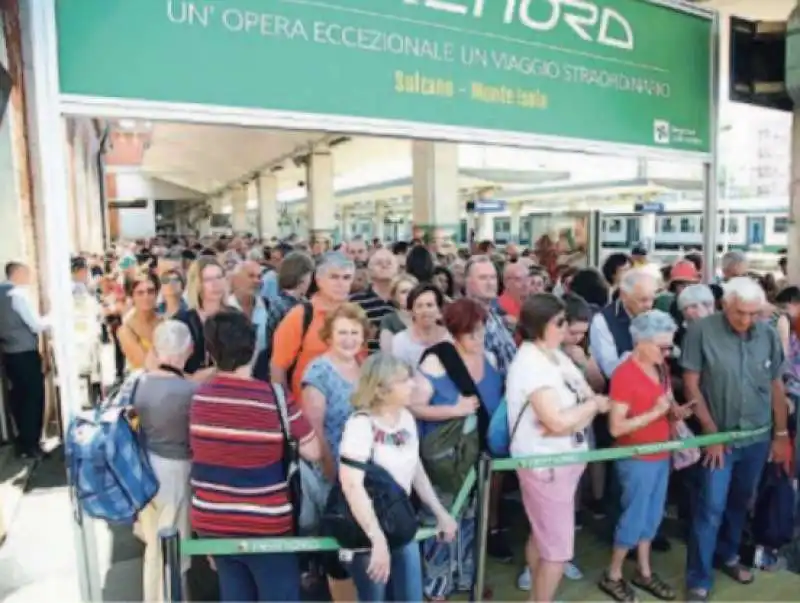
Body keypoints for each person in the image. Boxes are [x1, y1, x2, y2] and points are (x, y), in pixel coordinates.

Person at [189, 311, 321, 601]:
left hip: (212, 519)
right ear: (254, 348)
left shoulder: (199, 397)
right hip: (266, 522)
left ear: (211, 352)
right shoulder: (274, 397)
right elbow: (312, 450)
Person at [681, 277, 791, 602]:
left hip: (756, 438)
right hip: (720, 439)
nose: (747, 320)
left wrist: (781, 434)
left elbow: (775, 386)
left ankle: (727, 556)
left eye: (754, 313)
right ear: (725, 305)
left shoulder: (768, 333)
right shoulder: (701, 331)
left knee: (741, 502)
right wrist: (711, 433)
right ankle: (698, 578)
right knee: (709, 507)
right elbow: (691, 384)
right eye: (740, 312)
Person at [507, 293, 610, 603]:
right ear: (540, 325)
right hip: (546, 463)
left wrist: (587, 402)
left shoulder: (555, 356)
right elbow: (556, 421)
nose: (567, 329)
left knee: (543, 538)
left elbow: (584, 392)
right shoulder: (532, 364)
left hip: (561, 461)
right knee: (557, 550)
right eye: (560, 322)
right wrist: (592, 406)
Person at [338, 353, 457, 602]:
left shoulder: (406, 418)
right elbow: (352, 485)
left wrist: (440, 512)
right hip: (366, 532)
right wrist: (376, 539)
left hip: (400, 522)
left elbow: (416, 469)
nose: (412, 384)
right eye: (404, 380)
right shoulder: (360, 424)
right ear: (381, 390)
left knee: (410, 596)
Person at [412, 298, 504, 599]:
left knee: (470, 517)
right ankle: (436, 584)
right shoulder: (436, 360)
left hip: (479, 454)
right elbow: (415, 406)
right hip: (444, 459)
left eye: (481, 330)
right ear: (455, 332)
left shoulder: (489, 357)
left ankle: (465, 576)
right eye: (470, 332)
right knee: (440, 517)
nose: (478, 338)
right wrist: (455, 409)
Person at [600, 310, 689, 602]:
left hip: (659, 452)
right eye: (662, 347)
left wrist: (672, 411)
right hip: (637, 457)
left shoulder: (659, 366)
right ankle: (613, 574)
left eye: (669, 347)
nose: (668, 353)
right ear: (641, 343)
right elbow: (616, 427)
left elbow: (664, 400)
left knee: (651, 516)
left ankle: (644, 570)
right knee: (634, 516)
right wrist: (656, 412)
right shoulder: (625, 375)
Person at [301, 303, 371, 601]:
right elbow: (313, 425)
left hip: (363, 471)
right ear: (329, 335)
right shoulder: (319, 369)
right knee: (338, 552)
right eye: (342, 332)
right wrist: (331, 467)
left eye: (354, 332)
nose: (349, 338)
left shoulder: (363, 367)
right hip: (332, 474)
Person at [134, 320, 197, 602]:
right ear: (190, 349)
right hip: (175, 472)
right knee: (172, 550)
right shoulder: (189, 392)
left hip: (144, 468)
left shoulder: (139, 383)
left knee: (156, 548)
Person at [271, 252, 355, 402]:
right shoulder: (300, 316)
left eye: (346, 277)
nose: (340, 283)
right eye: (334, 277)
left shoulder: (357, 316)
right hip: (305, 411)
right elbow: (278, 367)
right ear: (319, 280)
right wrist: (286, 409)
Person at [0, 262, 49, 458]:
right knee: (33, 398)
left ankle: (22, 442)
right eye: (27, 273)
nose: (29, 277)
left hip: (8, 353)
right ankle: (32, 445)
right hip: (26, 353)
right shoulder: (18, 295)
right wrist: (55, 318)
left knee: (18, 398)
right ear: (18, 273)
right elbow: (36, 325)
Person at [350, 249, 398, 354]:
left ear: (397, 269)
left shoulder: (406, 299)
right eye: (379, 263)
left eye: (389, 262)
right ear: (369, 270)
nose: (384, 266)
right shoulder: (354, 301)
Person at [391, 284, 449, 368]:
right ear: (411, 312)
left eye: (429, 305)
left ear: (439, 310)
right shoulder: (400, 341)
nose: (425, 311)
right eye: (419, 306)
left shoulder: (451, 338)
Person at [118, 271, 162, 371]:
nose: (146, 297)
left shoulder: (165, 322)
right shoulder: (126, 330)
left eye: (150, 291)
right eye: (140, 293)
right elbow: (145, 366)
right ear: (132, 296)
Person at [378, 275, 418, 354]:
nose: (409, 295)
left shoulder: (426, 317)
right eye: (403, 292)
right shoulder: (388, 320)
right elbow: (387, 352)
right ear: (394, 296)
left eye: (412, 291)